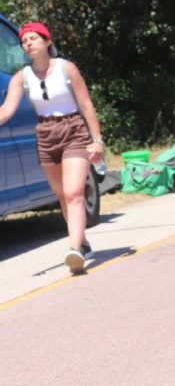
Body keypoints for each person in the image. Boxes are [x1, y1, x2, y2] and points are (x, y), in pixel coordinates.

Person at [0, 22, 105, 274]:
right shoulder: (21, 77)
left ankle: (75, 250)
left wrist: (97, 140)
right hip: (45, 134)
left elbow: (87, 106)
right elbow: (6, 110)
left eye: (33, 38)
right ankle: (83, 242)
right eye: (24, 41)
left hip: (73, 130)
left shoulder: (67, 69)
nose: (28, 43)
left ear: (47, 41)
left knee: (73, 193)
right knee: (62, 196)